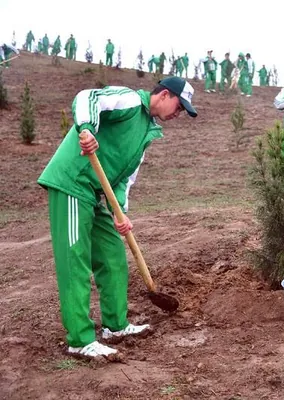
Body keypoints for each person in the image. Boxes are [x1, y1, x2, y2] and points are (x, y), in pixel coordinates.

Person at [37, 77, 198, 360]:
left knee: (113, 256)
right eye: (179, 106)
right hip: (73, 182)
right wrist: (86, 130)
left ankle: (116, 325)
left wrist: (119, 213)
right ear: (163, 94)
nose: (179, 113)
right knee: (75, 261)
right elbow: (88, 97)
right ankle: (80, 339)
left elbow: (125, 178)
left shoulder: (147, 131)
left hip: (96, 192)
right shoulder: (131, 101)